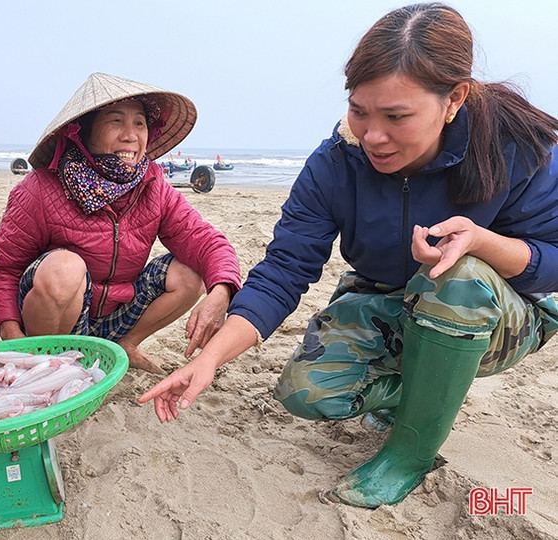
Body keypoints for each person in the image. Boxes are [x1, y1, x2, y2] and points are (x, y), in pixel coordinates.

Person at [139, 3, 558, 508]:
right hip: (384, 297)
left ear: (454, 100)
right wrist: (210, 359)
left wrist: (483, 241)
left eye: (396, 117)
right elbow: (284, 271)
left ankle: (409, 452)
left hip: (500, 315)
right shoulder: (336, 161)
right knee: (307, 394)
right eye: (360, 110)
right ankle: (414, 391)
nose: (373, 136)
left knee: (459, 276)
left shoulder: (523, 150)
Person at [0, 72, 241, 374]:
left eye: (139, 123)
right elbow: (3, 269)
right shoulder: (40, 188)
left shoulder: (153, 186)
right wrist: (13, 339)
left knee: (191, 271)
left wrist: (221, 291)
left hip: (117, 315)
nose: (130, 135)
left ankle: (124, 347)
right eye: (116, 121)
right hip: (56, 319)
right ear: (83, 132)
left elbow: (204, 240)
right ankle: (51, 364)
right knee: (64, 268)